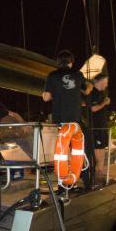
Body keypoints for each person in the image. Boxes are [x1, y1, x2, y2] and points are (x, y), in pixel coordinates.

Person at [42, 49, 93, 188]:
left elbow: (45, 97)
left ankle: (61, 185)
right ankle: (80, 181)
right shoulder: (78, 74)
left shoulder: (52, 75)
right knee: (77, 149)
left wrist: (57, 94)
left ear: (58, 62)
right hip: (74, 119)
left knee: (62, 151)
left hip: (59, 118)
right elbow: (87, 90)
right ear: (71, 62)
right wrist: (90, 84)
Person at [88, 73, 111, 181]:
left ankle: (100, 172)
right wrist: (104, 103)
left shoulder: (101, 93)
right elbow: (93, 108)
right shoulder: (93, 93)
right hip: (96, 127)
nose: (106, 84)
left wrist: (104, 101)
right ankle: (97, 174)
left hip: (102, 127)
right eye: (105, 81)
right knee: (98, 150)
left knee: (102, 150)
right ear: (100, 81)